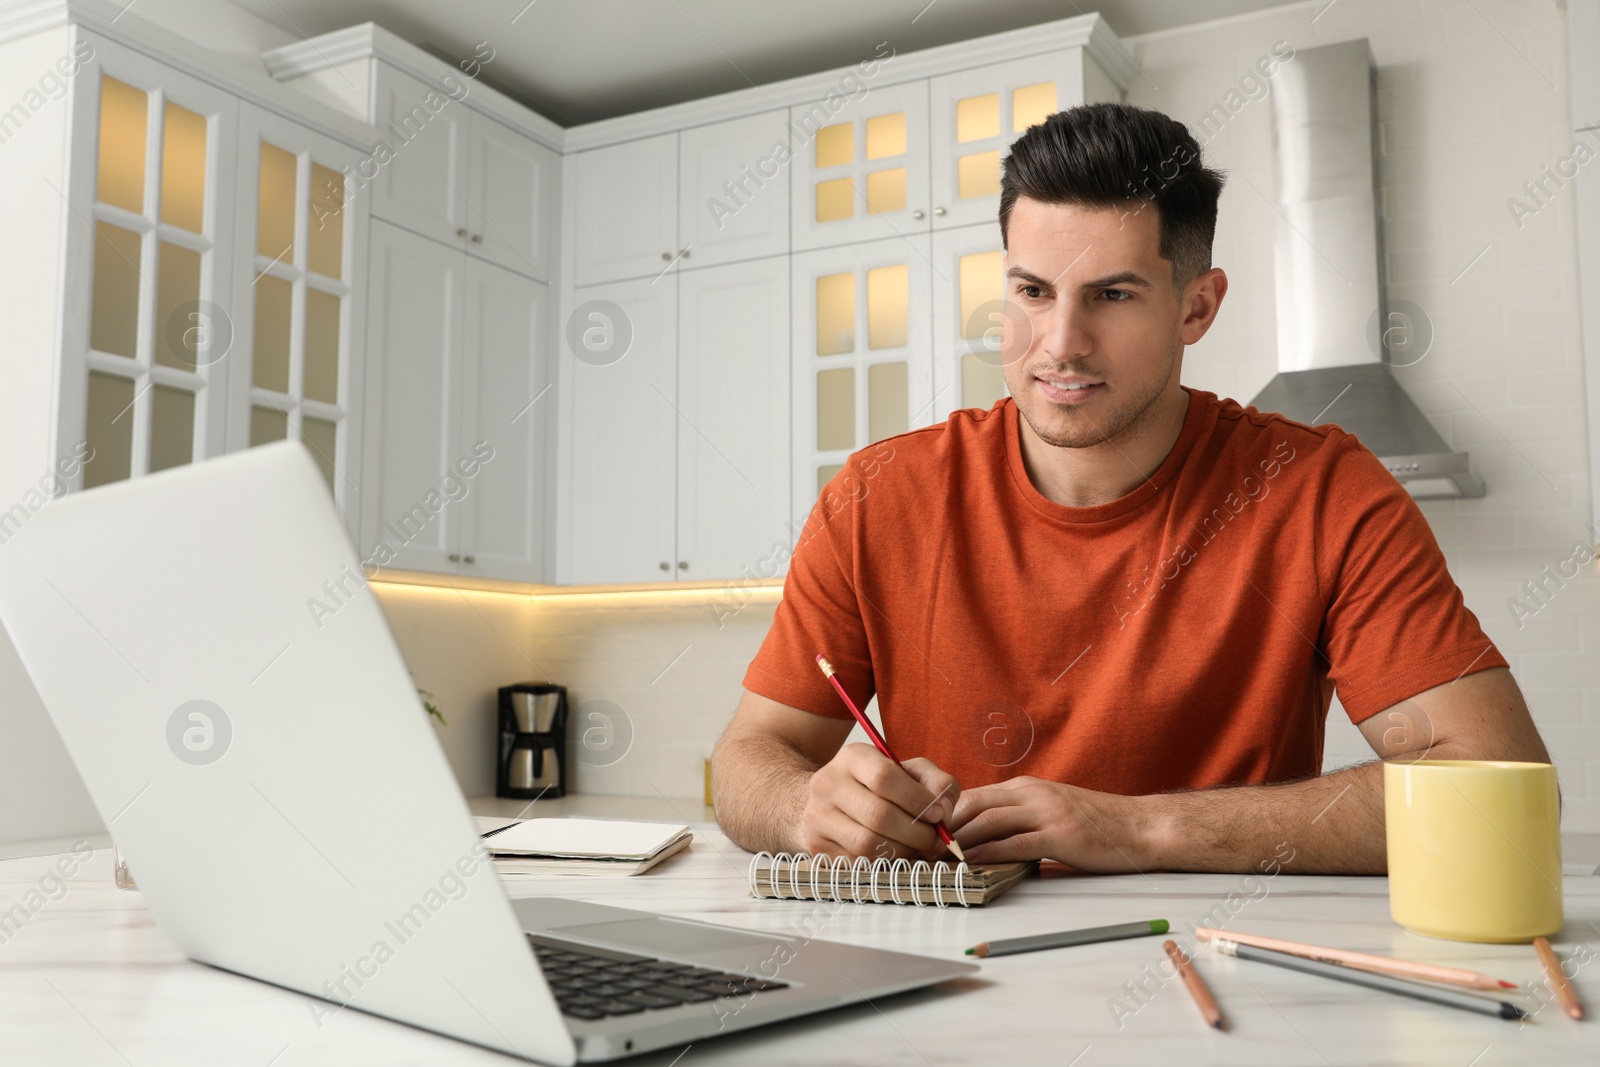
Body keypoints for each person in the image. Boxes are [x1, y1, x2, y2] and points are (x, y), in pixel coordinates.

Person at [711, 102, 1549, 875]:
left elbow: (1500, 787)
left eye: (1112, 295)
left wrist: (1139, 828)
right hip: (947, 960)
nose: (1060, 344)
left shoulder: (1324, 492)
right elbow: (752, 757)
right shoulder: (879, 494)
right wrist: (803, 806)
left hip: (1229, 964)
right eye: (1032, 292)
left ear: (1197, 308)